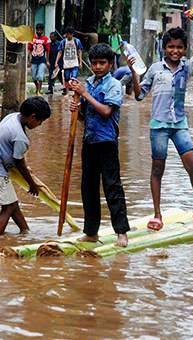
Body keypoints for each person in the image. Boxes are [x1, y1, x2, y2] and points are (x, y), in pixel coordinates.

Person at [129, 10, 193, 231]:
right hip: (158, 126)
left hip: (179, 125)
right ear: (164, 49)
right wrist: (134, 75)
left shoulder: (187, 67)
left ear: (184, 49)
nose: (175, 51)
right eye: (171, 47)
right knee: (157, 169)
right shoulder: (155, 69)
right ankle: (157, 215)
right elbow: (139, 96)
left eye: (179, 47)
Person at [69, 43, 130, 247]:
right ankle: (91, 232)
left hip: (107, 143)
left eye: (102, 63)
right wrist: (77, 108)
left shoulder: (113, 85)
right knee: (88, 188)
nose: (97, 67)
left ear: (110, 64)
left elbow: (106, 112)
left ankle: (121, 233)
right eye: (94, 63)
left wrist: (85, 95)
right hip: (90, 142)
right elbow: (85, 117)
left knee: (112, 187)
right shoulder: (89, 83)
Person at [0, 97, 52, 236]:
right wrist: (32, 185)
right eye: (40, 121)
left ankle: (25, 232)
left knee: (13, 204)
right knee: (8, 207)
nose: (40, 124)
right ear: (32, 117)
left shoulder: (13, 117)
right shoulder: (20, 138)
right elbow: (20, 163)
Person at [55, 27, 83, 95]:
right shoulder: (63, 42)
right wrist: (56, 62)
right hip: (66, 63)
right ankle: (67, 91)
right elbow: (60, 52)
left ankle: (74, 92)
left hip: (75, 63)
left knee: (74, 78)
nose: (68, 35)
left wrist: (80, 62)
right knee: (66, 78)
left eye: (69, 34)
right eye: (67, 34)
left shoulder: (77, 41)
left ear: (72, 34)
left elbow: (79, 51)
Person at [28, 23, 50, 96]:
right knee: (34, 77)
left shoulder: (45, 39)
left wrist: (47, 61)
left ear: (42, 31)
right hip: (34, 60)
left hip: (42, 60)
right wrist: (29, 59)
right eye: (38, 30)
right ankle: (37, 88)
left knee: (40, 76)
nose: (39, 31)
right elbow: (30, 49)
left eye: (41, 30)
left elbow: (47, 51)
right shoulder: (32, 38)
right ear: (36, 30)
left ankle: (39, 91)